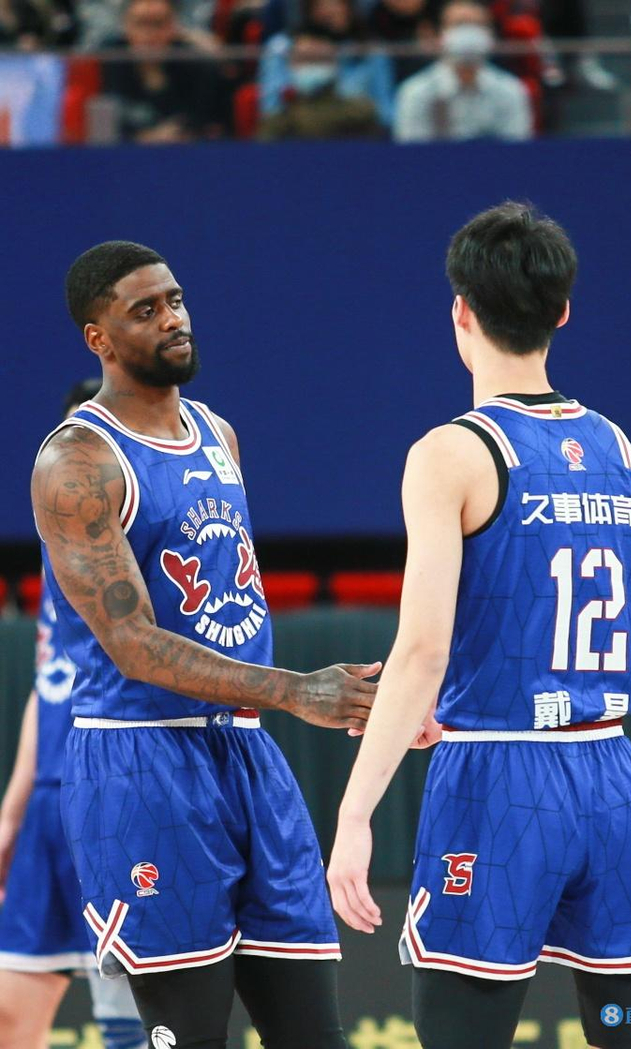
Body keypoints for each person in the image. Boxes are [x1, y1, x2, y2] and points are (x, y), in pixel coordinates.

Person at [328, 202, 631, 1049]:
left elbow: (422, 650)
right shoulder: (620, 448)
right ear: (563, 310)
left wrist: (355, 812)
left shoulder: (450, 453)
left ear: (461, 311)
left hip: (499, 779)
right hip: (609, 775)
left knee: (462, 1036)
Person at [31, 240, 380, 1049]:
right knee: (190, 1036)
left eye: (176, 300)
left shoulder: (218, 430)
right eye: (145, 310)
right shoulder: (78, 461)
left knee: (315, 1036)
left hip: (246, 751)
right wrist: (296, 689)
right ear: (99, 338)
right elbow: (134, 644)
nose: (173, 319)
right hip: (142, 760)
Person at [0, 379, 146, 1049]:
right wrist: (13, 810)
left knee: (133, 1017)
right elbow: (48, 684)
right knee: (11, 1015)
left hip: (115, 790)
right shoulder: (57, 544)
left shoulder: (149, 541)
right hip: (49, 802)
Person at [393, 1, 532, 142]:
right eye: (460, 24)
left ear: (491, 35)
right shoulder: (416, 93)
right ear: (438, 35)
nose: (469, 33)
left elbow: (517, 149)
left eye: (478, 25)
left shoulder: (510, 90)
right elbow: (412, 151)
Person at [101, 0, 231, 143]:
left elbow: (206, 122)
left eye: (159, 24)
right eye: (141, 23)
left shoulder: (195, 65)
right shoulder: (109, 61)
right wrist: (144, 137)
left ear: (173, 27)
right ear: (126, 27)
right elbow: (104, 128)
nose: (149, 34)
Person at [258, 26, 385, 140]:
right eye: (306, 59)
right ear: (291, 64)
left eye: (321, 59)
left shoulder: (362, 114)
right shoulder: (278, 122)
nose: (312, 66)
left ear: (336, 63)